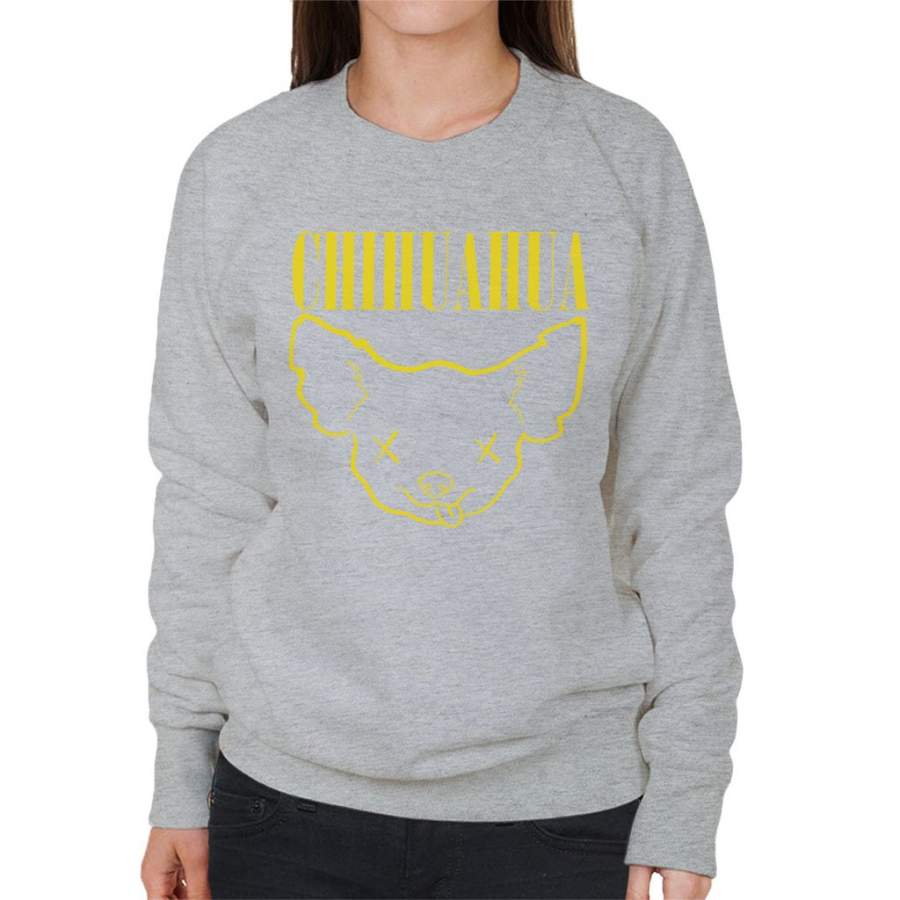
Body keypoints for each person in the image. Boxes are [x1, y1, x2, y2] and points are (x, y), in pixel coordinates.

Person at [140, 2, 742, 898]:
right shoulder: (241, 168)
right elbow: (207, 496)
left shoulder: (622, 158)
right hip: (284, 802)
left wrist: (687, 798)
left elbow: (678, 495)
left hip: (565, 813)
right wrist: (180, 774)